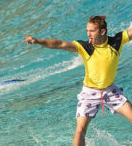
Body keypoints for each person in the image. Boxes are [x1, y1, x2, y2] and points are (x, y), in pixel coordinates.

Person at [23, 16, 132, 146]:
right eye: (87, 30)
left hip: (110, 91)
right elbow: (59, 44)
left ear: (102, 32)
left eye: (92, 31)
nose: (88, 34)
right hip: (89, 93)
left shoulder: (116, 42)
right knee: (80, 131)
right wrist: (38, 41)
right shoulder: (85, 47)